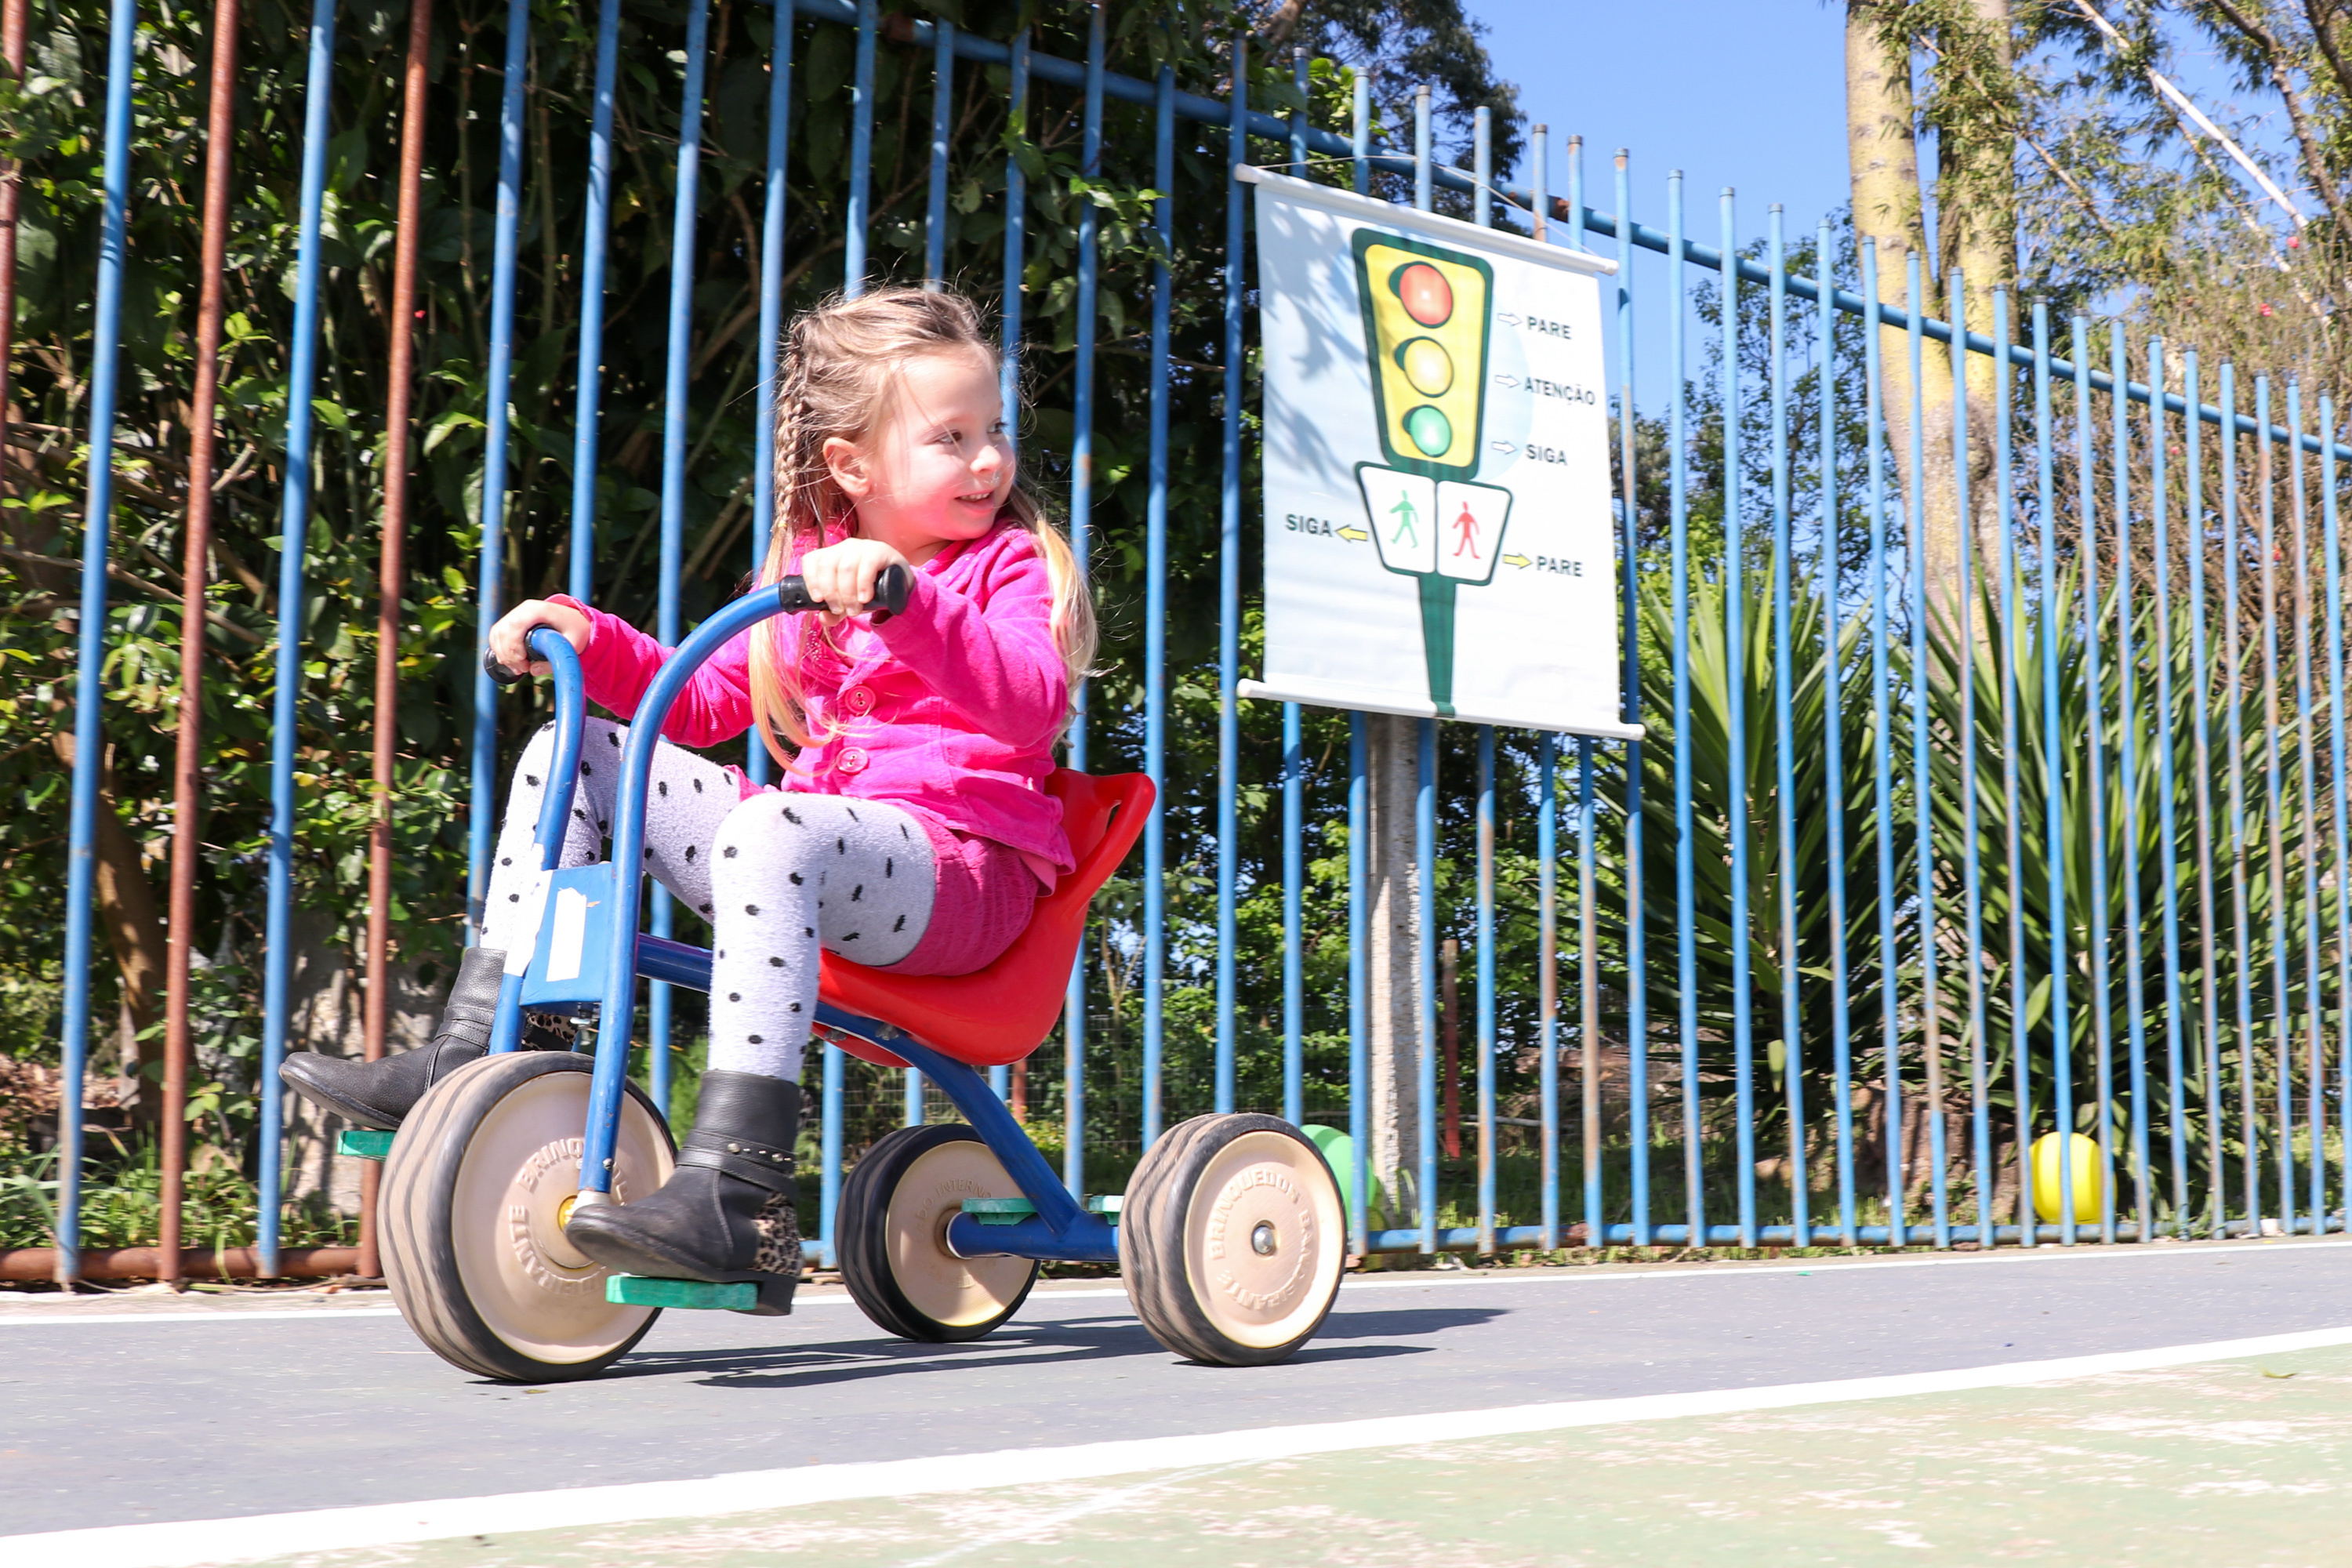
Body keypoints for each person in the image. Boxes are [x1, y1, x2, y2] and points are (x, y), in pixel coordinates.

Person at [280, 287, 1094, 1312]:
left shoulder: (1004, 568)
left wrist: (910, 596)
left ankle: (741, 1193)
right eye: (952, 438)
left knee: (772, 824)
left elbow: (1029, 701)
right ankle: (482, 1054)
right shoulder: (815, 573)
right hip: (819, 859)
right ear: (852, 466)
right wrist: (585, 634)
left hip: (961, 879)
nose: (988, 461)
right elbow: (703, 700)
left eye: (994, 432)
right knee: (572, 748)